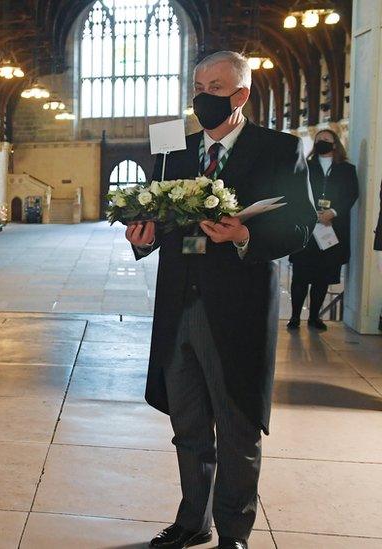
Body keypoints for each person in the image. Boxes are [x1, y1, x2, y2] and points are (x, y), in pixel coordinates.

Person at [125, 51, 316, 549]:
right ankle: (193, 520)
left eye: (215, 87)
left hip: (237, 311)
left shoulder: (280, 149)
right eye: (198, 85)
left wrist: (242, 237)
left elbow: (299, 226)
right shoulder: (174, 151)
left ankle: (234, 531)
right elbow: (158, 224)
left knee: (237, 430)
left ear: (241, 94)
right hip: (177, 306)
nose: (202, 96)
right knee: (187, 425)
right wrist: (143, 237)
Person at [288, 129, 358, 331]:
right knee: (301, 275)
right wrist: (311, 213)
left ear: (335, 144)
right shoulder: (305, 167)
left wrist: (333, 212)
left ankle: (314, 317)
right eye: (318, 140)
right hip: (308, 231)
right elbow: (295, 193)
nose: (321, 143)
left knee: (322, 277)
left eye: (325, 140)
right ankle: (294, 317)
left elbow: (351, 194)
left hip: (332, 230)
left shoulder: (346, 169)